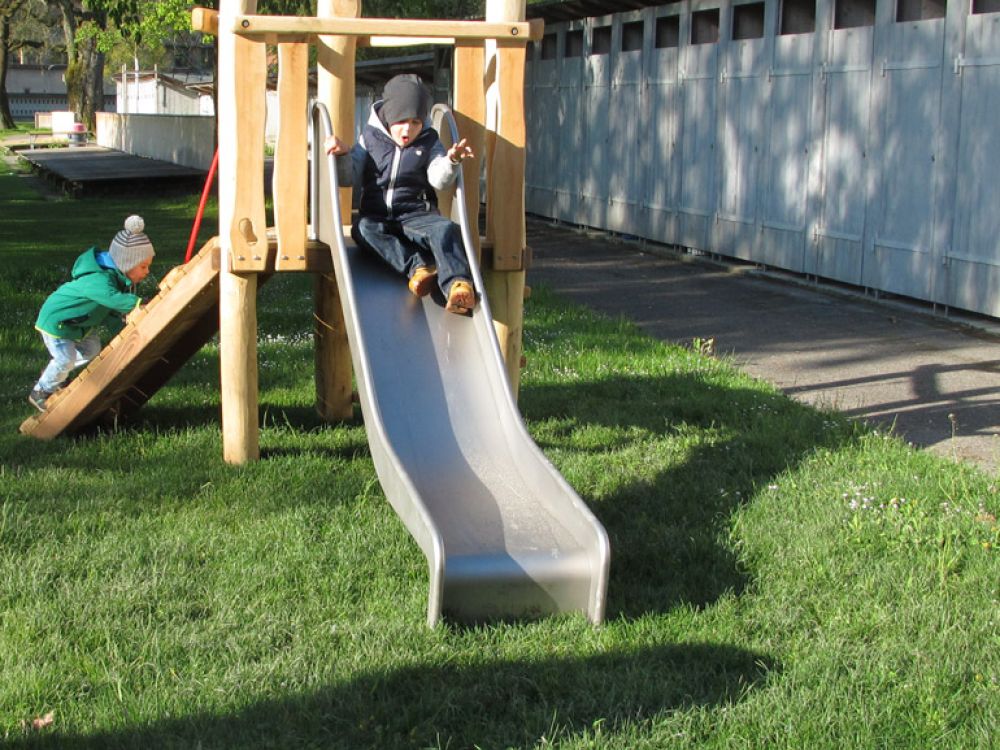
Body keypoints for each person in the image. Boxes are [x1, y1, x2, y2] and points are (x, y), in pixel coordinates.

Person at [326, 73, 477, 315]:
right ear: (388, 116)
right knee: (362, 230)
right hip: (377, 216)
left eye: (416, 122)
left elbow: (438, 179)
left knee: (446, 229)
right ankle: (418, 268)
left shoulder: (428, 141)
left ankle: (458, 285)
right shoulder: (370, 138)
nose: (408, 129)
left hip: (416, 215)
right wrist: (343, 155)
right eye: (401, 121)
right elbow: (348, 177)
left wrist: (451, 160)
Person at [28, 215, 155, 411]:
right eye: (143, 266)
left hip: (78, 324)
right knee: (65, 359)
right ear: (126, 263)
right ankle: (40, 391)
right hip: (58, 322)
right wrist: (138, 303)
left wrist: (122, 326)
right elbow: (112, 298)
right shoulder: (99, 280)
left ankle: (56, 373)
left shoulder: (113, 280)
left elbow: (107, 311)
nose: (147, 272)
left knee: (91, 350)